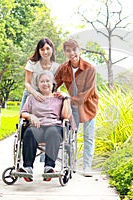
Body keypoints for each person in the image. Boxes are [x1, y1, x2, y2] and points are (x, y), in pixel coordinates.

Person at [54, 39, 99, 177]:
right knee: (71, 136)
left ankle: (87, 167)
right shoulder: (63, 68)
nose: (72, 53)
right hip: (72, 106)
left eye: (74, 50)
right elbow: (54, 84)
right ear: (65, 53)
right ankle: (70, 164)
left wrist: (68, 98)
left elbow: (87, 93)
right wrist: (47, 95)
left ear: (79, 50)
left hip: (88, 106)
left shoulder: (89, 68)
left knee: (88, 137)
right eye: (68, 50)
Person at [19, 71, 72, 182]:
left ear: (53, 83)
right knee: (29, 132)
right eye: (42, 81)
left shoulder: (59, 99)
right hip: (37, 126)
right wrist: (31, 116)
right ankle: (27, 168)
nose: (45, 83)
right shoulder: (31, 98)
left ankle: (49, 168)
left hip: (54, 126)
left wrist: (66, 99)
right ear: (38, 84)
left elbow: (66, 116)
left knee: (53, 132)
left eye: (48, 81)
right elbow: (23, 113)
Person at [19, 37, 59, 113]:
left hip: (46, 97)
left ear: (52, 49)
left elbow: (56, 86)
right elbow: (27, 83)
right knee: (22, 120)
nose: (45, 52)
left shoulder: (56, 67)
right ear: (39, 51)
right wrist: (35, 93)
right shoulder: (32, 63)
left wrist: (59, 95)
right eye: (42, 49)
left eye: (48, 49)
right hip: (30, 94)